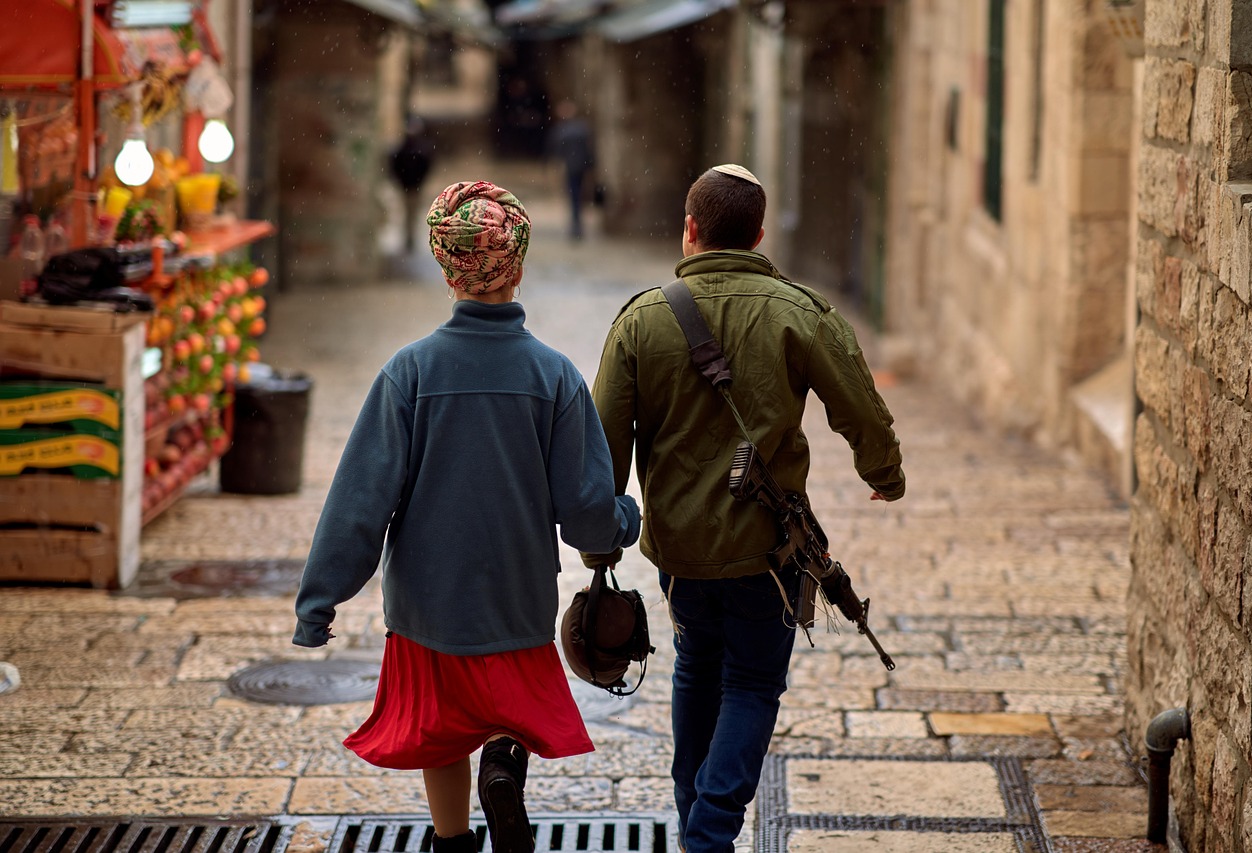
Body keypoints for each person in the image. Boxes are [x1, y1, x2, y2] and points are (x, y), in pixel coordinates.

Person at [294, 181, 641, 853]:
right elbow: (586, 515)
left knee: (442, 729)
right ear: (518, 264)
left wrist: (319, 602)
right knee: (508, 704)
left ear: (447, 268)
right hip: (516, 597)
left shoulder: (409, 373)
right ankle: (505, 762)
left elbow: (359, 502)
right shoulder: (554, 377)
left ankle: (452, 840)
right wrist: (623, 520)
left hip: (429, 607)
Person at [584, 165, 906, 852]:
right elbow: (860, 407)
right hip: (768, 548)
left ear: (689, 229)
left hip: (681, 553)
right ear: (759, 235)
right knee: (754, 684)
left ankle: (696, 828)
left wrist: (599, 545)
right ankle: (709, 834)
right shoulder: (800, 312)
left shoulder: (641, 320)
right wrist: (885, 474)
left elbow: (602, 450)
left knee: (697, 666)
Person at [544, 100, 594, 240]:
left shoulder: (561, 130)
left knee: (574, 195)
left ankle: (576, 224)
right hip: (580, 166)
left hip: (571, 167)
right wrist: (591, 166)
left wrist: (552, 165)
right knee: (578, 195)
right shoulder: (581, 129)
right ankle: (577, 223)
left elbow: (554, 151)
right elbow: (589, 150)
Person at [389, 117, 435, 253]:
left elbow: (425, 166)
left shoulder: (416, 150)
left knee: (411, 214)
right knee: (409, 214)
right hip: (409, 186)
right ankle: (409, 239)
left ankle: (410, 239)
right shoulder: (410, 150)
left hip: (413, 186)